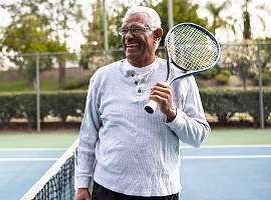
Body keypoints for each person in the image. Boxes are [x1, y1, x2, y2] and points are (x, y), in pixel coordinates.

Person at [74, 5, 211, 200]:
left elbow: (199, 137)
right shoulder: (102, 77)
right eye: (124, 30)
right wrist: (82, 184)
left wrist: (172, 113)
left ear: (157, 35)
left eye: (136, 29)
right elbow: (89, 133)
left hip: (160, 191)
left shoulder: (182, 79)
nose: (128, 36)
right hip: (107, 189)